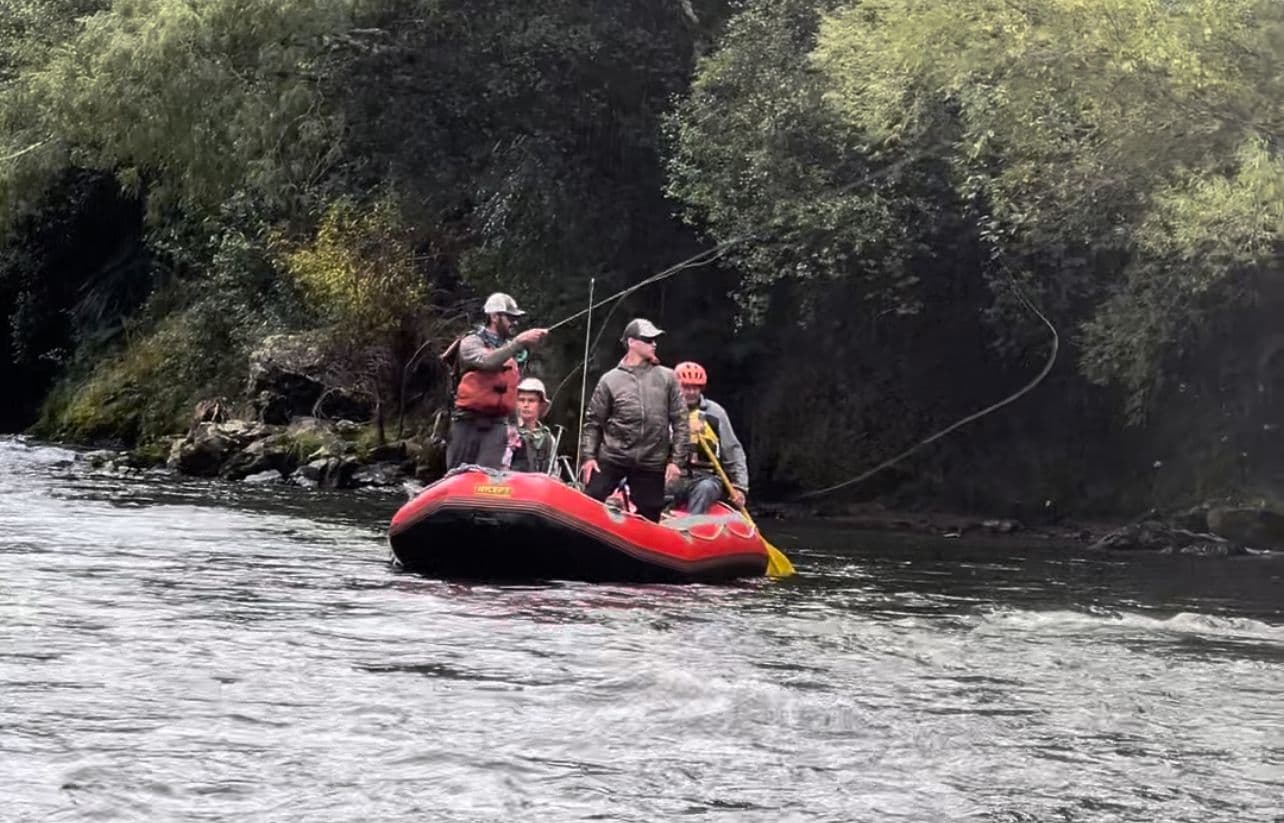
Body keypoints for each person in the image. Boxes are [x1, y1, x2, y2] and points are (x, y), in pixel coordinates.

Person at [579, 318, 689, 522]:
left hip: (652, 461)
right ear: (631, 342)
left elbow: (681, 422)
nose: (654, 344)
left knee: (650, 514)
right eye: (648, 340)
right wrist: (589, 457)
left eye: (655, 340)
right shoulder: (610, 380)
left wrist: (676, 462)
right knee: (590, 501)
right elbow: (593, 422)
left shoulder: (668, 377)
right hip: (613, 456)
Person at [444, 292, 547, 469]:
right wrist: (518, 342)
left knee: (487, 476)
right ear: (494, 317)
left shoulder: (510, 351)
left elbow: (511, 391)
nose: (514, 323)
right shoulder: (471, 342)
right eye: (510, 318)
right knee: (458, 473)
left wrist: (514, 425)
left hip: (497, 426)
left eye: (516, 318)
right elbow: (487, 361)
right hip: (467, 423)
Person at [669, 361, 749, 514]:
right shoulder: (665, 410)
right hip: (674, 476)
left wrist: (740, 487)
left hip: (706, 477)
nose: (691, 392)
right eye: (686, 387)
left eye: (695, 388)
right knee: (652, 487)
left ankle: (692, 523)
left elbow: (732, 451)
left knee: (705, 488)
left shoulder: (715, 413)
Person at [507, 377, 556, 473]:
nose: (526, 405)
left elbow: (554, 471)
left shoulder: (549, 438)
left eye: (531, 400)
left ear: (540, 405)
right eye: (521, 400)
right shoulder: (508, 432)